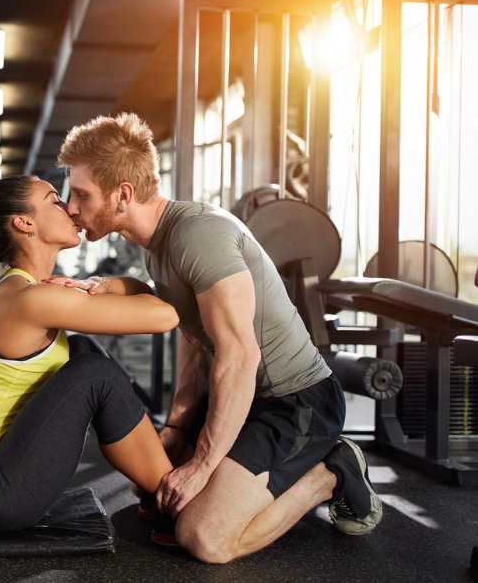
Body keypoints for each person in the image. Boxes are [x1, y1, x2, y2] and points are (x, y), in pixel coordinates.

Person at [48, 113, 383, 563]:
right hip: (244, 398)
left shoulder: (197, 235)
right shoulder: (157, 250)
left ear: (122, 195)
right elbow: (194, 344)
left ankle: (333, 471)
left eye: (81, 194)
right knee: (151, 486)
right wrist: (178, 428)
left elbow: (240, 355)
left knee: (204, 537)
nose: (71, 207)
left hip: (296, 402)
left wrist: (203, 466)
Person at [0, 175, 178, 536]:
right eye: (54, 200)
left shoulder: (25, 289)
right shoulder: (31, 299)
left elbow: (145, 294)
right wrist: (102, 289)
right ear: (25, 223)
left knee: (82, 351)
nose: (68, 207)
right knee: (95, 376)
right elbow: (166, 316)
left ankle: (154, 489)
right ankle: (171, 498)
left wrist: (101, 286)